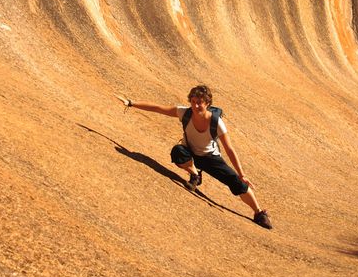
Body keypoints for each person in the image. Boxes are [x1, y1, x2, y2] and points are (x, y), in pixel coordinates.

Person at [116, 85, 272, 229]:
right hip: (189, 152)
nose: (196, 106)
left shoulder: (217, 123)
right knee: (177, 152)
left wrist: (242, 174)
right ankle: (195, 174)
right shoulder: (185, 112)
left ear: (208, 103)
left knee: (236, 182)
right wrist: (131, 103)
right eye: (193, 101)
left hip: (210, 157)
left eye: (200, 103)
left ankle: (259, 213)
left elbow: (229, 149)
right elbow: (158, 108)